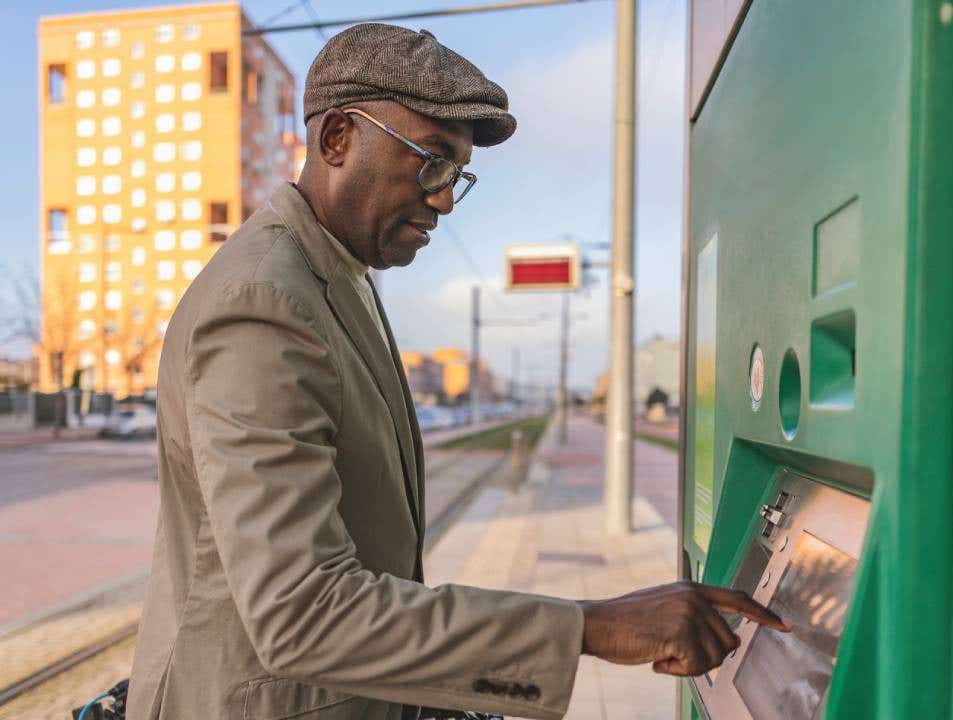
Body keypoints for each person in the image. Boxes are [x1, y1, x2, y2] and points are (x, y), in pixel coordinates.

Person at [126, 23, 787, 720]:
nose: (443, 198)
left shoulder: (338, 276)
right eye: (430, 161)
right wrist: (593, 627)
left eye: (456, 176)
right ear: (336, 140)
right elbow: (301, 612)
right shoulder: (262, 303)